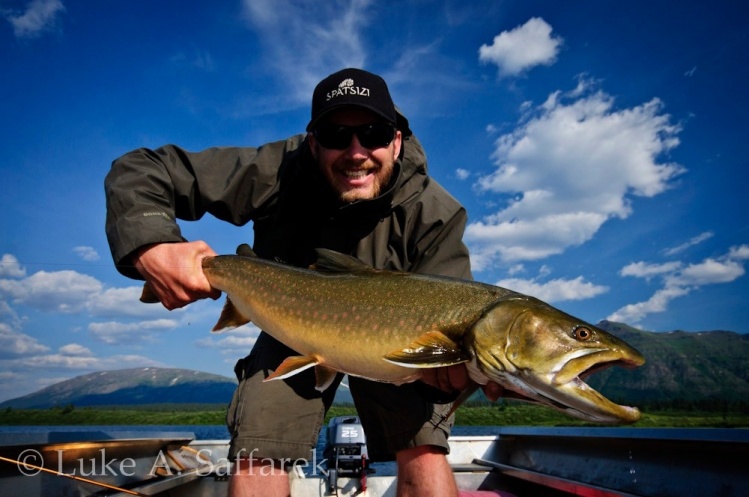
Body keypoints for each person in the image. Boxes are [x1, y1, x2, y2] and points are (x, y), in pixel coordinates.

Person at [105, 68, 502, 497]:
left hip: (401, 338)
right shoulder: (277, 171)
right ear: (313, 142)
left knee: (423, 446)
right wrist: (151, 242)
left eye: (373, 133)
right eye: (335, 135)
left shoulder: (435, 212)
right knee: (260, 444)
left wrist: (466, 371)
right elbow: (143, 170)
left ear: (397, 140)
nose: (356, 152)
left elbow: (457, 312)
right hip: (292, 322)